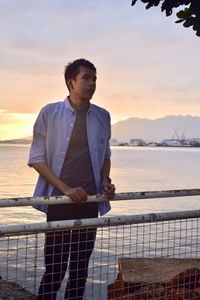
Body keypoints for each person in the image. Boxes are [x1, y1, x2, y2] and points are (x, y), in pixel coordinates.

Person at [28, 58, 115, 300]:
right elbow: (36, 158)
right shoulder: (50, 113)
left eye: (94, 78)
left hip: (89, 202)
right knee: (54, 270)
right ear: (71, 82)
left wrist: (106, 180)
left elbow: (105, 155)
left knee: (80, 271)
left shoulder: (103, 117)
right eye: (86, 78)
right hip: (59, 202)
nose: (92, 83)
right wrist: (65, 189)